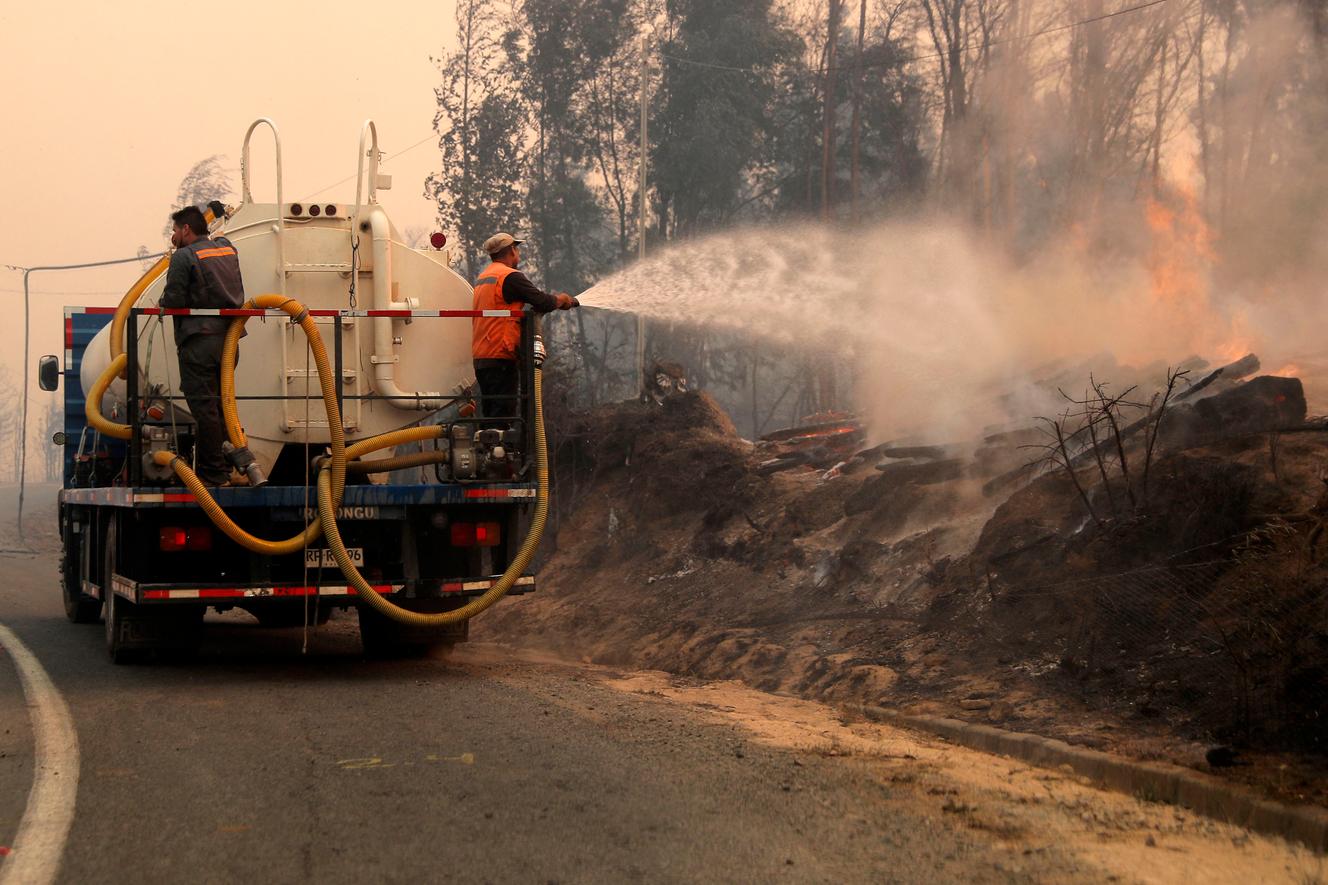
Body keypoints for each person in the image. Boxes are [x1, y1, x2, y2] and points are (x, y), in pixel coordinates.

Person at [159, 205, 247, 486]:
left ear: (185, 230)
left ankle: (213, 474)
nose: (173, 236)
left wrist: (175, 256)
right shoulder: (226, 248)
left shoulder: (184, 257)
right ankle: (235, 458)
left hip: (199, 343)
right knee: (223, 406)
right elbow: (218, 240)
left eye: (175, 231)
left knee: (205, 408)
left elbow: (173, 300)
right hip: (229, 341)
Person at [471, 232, 578, 418]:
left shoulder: (484, 277)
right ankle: (498, 446)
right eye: (517, 249)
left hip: (481, 356)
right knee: (503, 416)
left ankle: (488, 446)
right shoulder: (509, 277)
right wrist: (562, 300)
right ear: (512, 250)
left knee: (490, 414)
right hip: (501, 355)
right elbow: (542, 301)